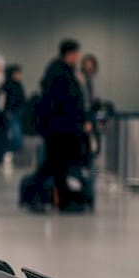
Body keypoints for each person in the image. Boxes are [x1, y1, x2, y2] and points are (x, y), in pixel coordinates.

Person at [33, 38, 89, 212]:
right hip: (59, 127)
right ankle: (42, 196)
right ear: (69, 54)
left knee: (57, 165)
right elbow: (65, 101)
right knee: (55, 164)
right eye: (76, 53)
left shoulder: (64, 71)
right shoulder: (59, 73)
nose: (78, 57)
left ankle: (60, 199)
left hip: (63, 127)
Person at [0, 64, 27, 167]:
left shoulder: (19, 86)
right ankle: (6, 155)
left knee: (17, 138)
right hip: (8, 115)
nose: (19, 75)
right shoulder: (5, 87)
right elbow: (0, 104)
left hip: (17, 114)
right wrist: (3, 113)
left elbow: (22, 100)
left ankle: (13, 155)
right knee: (11, 136)